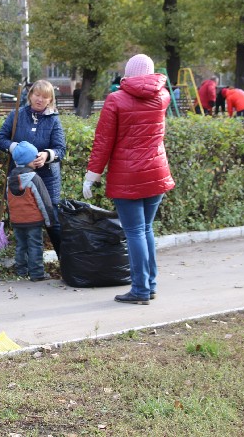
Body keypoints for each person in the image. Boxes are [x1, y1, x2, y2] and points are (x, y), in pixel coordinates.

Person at [82, 54, 174, 305]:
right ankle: (150, 285)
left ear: (128, 73)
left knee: (134, 232)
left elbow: (103, 141)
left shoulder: (116, 100)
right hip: (157, 173)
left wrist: (92, 175)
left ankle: (141, 290)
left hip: (128, 176)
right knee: (146, 230)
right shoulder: (163, 97)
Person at [0, 79, 66, 258]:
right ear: (30, 95)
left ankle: (66, 261)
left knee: (53, 222)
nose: (40, 99)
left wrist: (46, 156)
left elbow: (60, 149)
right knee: (26, 220)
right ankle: (27, 264)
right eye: (37, 95)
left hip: (47, 178)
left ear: (50, 100)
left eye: (45, 97)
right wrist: (18, 151)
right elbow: (1, 139)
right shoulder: (17, 115)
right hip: (21, 177)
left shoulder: (54, 120)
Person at [7, 141, 54, 282]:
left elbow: (8, 201)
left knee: (21, 246)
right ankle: (37, 273)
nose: (36, 159)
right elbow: (43, 200)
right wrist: (49, 220)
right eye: (34, 157)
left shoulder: (9, 180)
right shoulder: (34, 178)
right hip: (33, 220)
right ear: (28, 160)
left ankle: (21, 271)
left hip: (17, 220)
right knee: (35, 245)